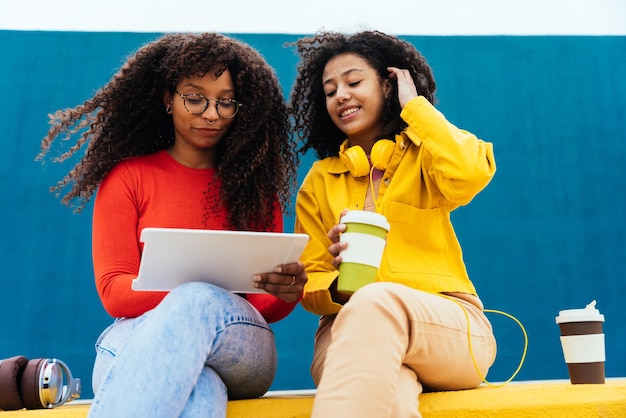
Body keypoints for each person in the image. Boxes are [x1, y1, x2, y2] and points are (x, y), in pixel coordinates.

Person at [37, 32, 306, 418]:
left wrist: (286, 291)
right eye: (195, 98)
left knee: (195, 300)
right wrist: (192, 292)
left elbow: (261, 305)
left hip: (242, 346)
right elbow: (115, 293)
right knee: (201, 386)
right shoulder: (128, 178)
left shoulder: (254, 189)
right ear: (168, 99)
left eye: (225, 102)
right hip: (138, 334)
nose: (211, 113)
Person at [289, 30, 498, 418]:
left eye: (353, 82)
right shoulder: (318, 181)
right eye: (330, 90)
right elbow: (309, 280)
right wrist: (336, 279)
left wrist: (415, 109)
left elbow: (470, 172)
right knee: (393, 400)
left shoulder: (427, 156)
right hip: (346, 335)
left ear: (389, 85)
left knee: (377, 301)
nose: (341, 96)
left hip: (449, 329)